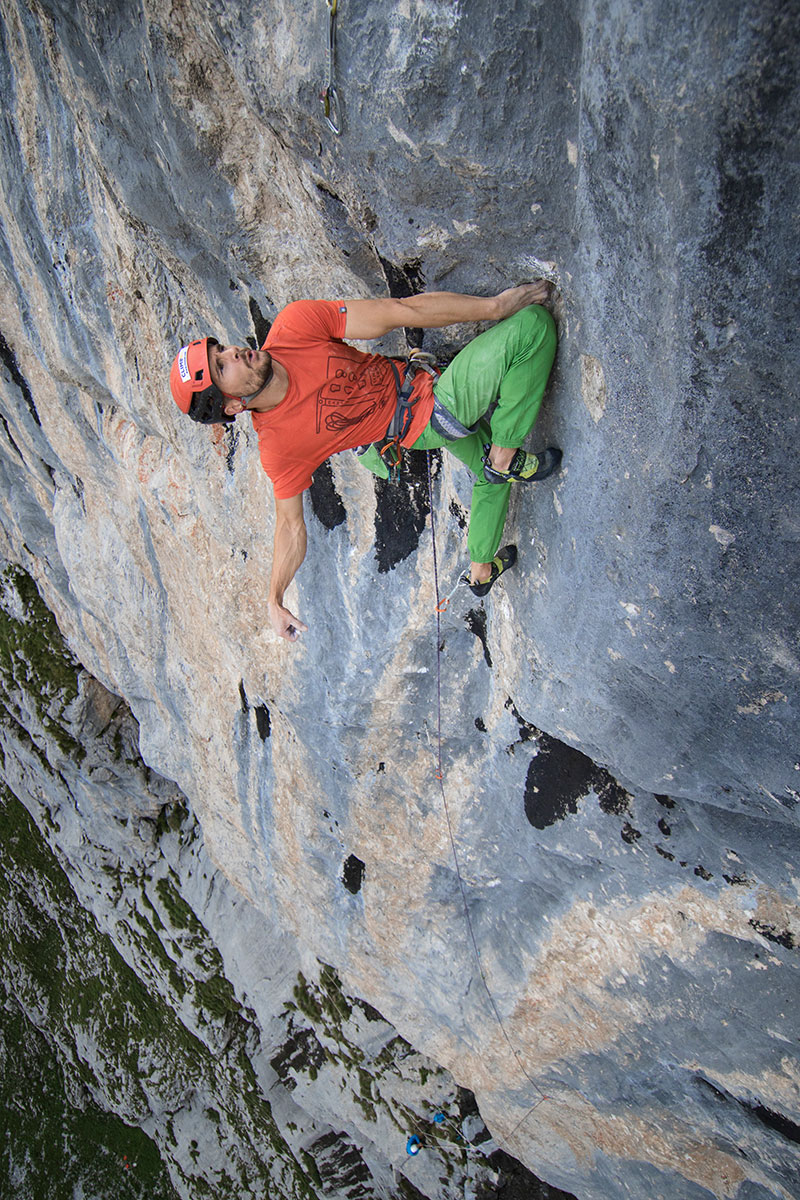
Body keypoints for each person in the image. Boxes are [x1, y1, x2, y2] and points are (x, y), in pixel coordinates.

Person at [170, 281, 560, 641]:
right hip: (429, 413)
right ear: (234, 404)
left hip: (420, 388)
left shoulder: (295, 326)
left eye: (220, 350)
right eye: (222, 367)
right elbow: (290, 525)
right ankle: (506, 455)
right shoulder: (279, 446)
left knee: (488, 474)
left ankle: (480, 570)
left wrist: (494, 307)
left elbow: (399, 311)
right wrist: (274, 597)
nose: (233, 352)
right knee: (534, 327)